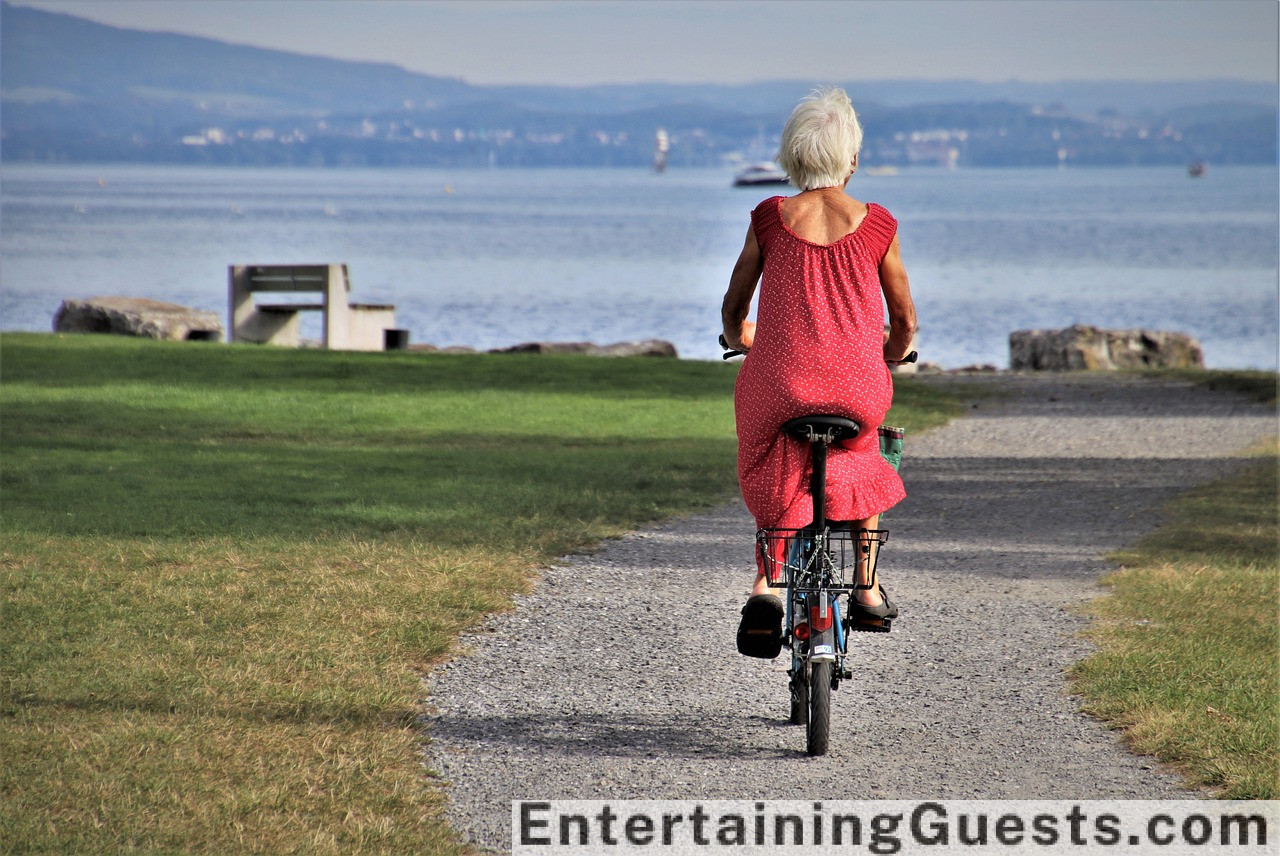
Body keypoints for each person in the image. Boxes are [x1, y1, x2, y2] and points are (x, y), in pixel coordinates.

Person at [721, 86, 918, 658]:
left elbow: (735, 309)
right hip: (856, 388)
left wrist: (742, 340)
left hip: (780, 384)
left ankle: (768, 587)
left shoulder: (769, 218)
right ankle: (865, 584)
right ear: (851, 159)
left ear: (791, 157)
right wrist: (894, 352)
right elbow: (903, 317)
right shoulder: (878, 224)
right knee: (862, 453)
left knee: (775, 451)